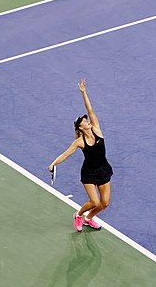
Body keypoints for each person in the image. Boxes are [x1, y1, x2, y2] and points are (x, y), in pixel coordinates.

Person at [48, 79, 113, 232]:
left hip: (103, 169)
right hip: (89, 173)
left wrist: (84, 93)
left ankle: (88, 219)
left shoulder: (96, 129)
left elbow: (90, 109)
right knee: (95, 202)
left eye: (87, 119)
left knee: (105, 203)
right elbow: (65, 154)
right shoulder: (79, 142)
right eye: (84, 121)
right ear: (81, 127)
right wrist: (53, 164)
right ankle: (78, 215)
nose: (88, 120)